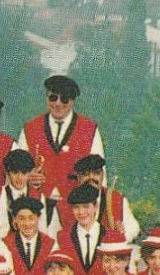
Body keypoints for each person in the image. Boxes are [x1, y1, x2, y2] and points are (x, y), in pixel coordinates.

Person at [18, 75, 104, 213]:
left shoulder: (89, 129)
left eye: (64, 99)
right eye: (53, 98)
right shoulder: (30, 128)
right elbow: (17, 172)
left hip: (75, 209)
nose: (58, 104)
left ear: (73, 101)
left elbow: (99, 176)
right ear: (46, 98)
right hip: (37, 207)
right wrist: (29, 177)